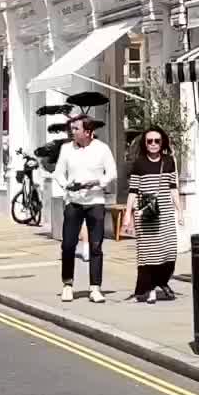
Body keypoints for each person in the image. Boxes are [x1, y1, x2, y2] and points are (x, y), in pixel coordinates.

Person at [53, 114, 117, 303]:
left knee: (96, 246)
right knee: (68, 245)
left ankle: (95, 288)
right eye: (72, 129)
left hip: (95, 202)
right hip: (73, 202)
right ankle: (67, 284)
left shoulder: (102, 149)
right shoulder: (66, 149)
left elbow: (112, 173)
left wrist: (97, 182)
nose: (72, 132)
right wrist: (67, 185)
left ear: (87, 132)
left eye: (76, 129)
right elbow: (58, 173)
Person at [124, 126, 183, 302]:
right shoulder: (139, 163)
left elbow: (173, 188)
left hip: (165, 209)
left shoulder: (169, 161)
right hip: (147, 206)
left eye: (157, 141)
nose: (153, 144)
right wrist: (128, 213)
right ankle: (149, 289)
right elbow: (133, 190)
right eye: (149, 141)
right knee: (150, 252)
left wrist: (179, 211)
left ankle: (160, 282)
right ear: (145, 143)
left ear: (162, 142)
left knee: (169, 251)